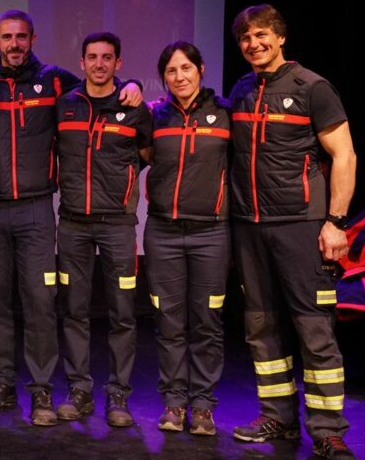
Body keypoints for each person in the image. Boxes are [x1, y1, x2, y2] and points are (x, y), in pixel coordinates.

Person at [0, 10, 141, 426]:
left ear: (33, 38)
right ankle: (2, 384)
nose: (15, 44)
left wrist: (130, 86)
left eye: (22, 36)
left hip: (38, 210)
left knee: (41, 303)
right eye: (7, 37)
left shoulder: (58, 81)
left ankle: (41, 390)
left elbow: (100, 92)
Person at [227, 4, 357, 460]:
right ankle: (277, 419)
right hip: (250, 228)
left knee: (313, 329)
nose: (253, 44)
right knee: (262, 329)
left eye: (261, 34)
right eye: (245, 38)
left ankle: (327, 430)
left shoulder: (312, 87)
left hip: (302, 226)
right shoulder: (242, 89)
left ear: (280, 38)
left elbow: (345, 155)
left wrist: (335, 222)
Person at [54, 32, 153, 428]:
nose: (99, 64)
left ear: (118, 62)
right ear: (81, 63)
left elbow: (148, 157)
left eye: (107, 57)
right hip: (73, 224)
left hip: (117, 226)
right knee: (74, 311)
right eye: (92, 57)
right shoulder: (65, 105)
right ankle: (79, 391)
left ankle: (118, 396)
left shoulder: (136, 109)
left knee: (123, 314)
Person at [143, 41, 231, 435]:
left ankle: (203, 408)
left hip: (211, 233)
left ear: (201, 69)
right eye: (171, 71)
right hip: (162, 232)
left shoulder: (226, 113)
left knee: (207, 322)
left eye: (186, 68)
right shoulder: (153, 116)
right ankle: (175, 404)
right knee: (170, 322)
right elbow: (141, 156)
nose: (179, 77)